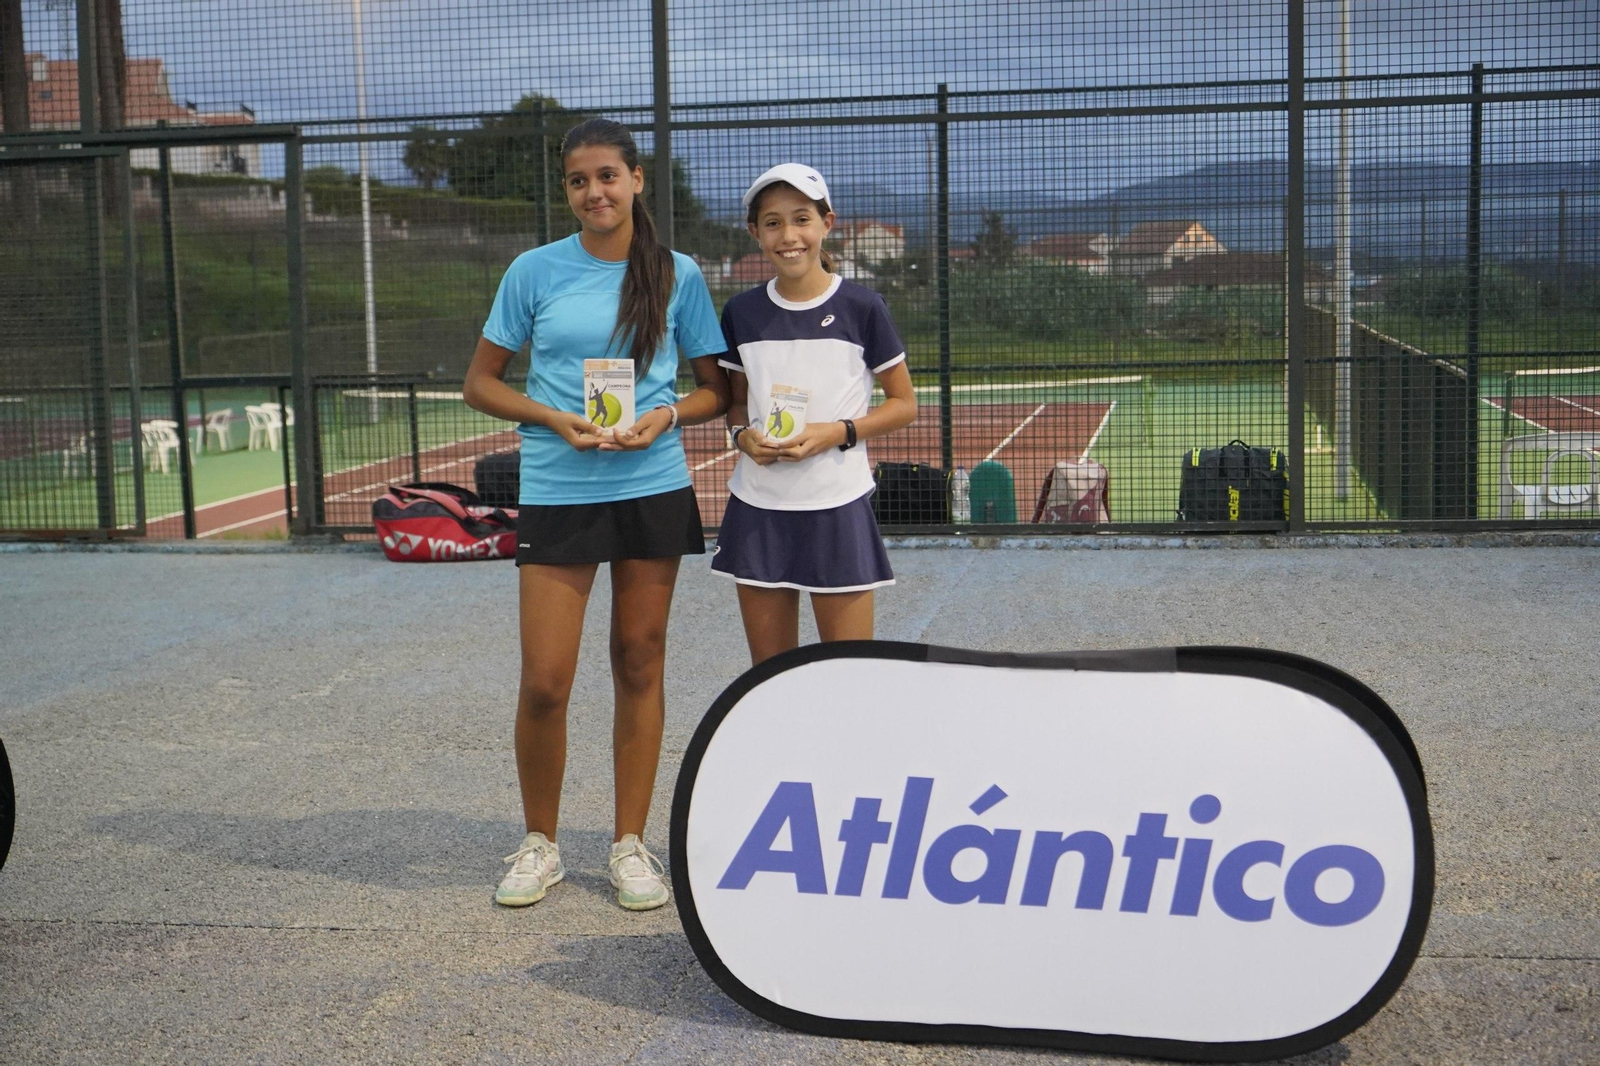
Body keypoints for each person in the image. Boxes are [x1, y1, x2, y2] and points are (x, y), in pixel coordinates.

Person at [463, 118, 730, 911]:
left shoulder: (677, 273)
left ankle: (629, 845)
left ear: (637, 179)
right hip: (560, 488)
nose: (594, 192)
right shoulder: (534, 271)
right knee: (546, 680)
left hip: (651, 482)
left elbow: (717, 390)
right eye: (578, 181)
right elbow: (481, 383)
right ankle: (540, 844)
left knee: (639, 661)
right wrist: (551, 417)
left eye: (607, 176)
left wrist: (664, 417)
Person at [713, 164, 917, 664]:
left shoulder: (863, 307)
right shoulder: (741, 312)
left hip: (837, 506)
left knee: (849, 672)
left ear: (827, 223)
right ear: (755, 233)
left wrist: (837, 432)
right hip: (758, 508)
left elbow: (904, 404)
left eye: (801, 219)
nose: (789, 236)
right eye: (773, 223)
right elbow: (735, 402)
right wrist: (741, 437)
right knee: (769, 676)